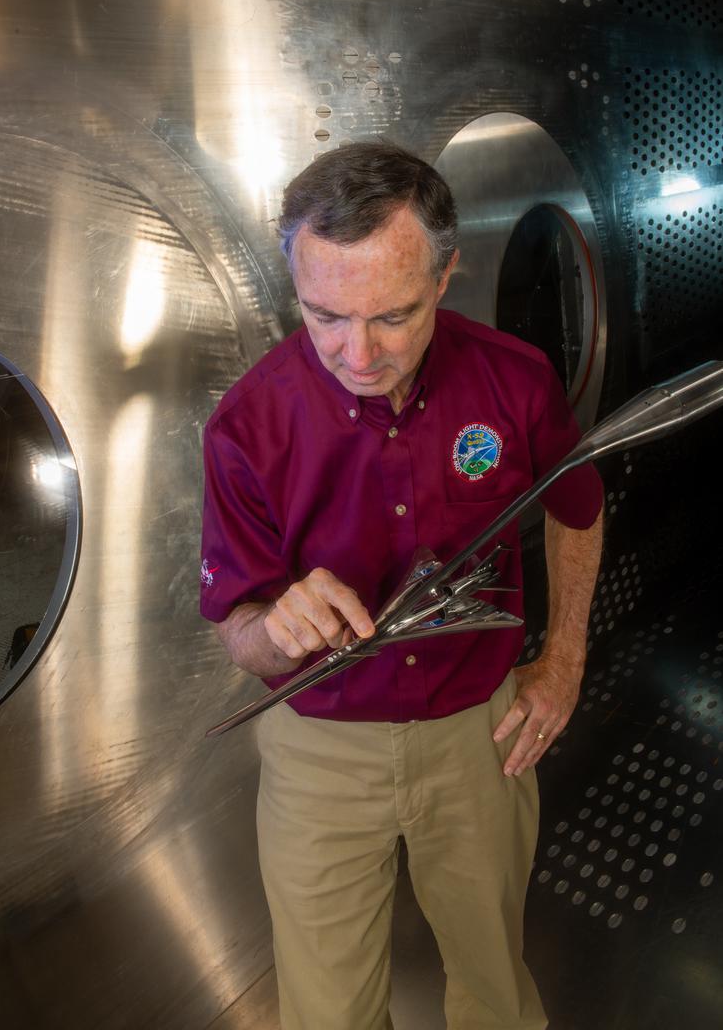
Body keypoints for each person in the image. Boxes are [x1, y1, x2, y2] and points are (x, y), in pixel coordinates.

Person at [200, 140, 603, 1030]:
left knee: (494, 986)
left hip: (479, 733)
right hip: (319, 749)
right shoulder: (245, 427)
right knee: (327, 1012)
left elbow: (577, 507)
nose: (357, 353)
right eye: (324, 316)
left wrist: (564, 659)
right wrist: (275, 631)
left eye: (392, 315)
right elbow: (240, 632)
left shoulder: (514, 379)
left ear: (445, 274)